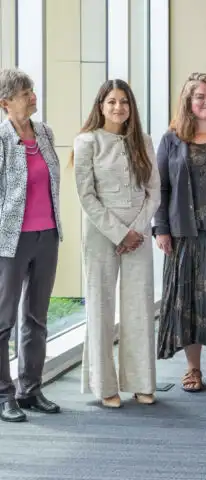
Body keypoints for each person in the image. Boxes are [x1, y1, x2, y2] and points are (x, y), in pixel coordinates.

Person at [72, 79, 160, 408]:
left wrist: (136, 229)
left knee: (139, 306)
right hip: (100, 232)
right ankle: (103, 384)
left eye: (124, 102)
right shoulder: (87, 141)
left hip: (138, 232)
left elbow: (154, 191)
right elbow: (86, 195)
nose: (118, 107)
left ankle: (141, 382)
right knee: (101, 305)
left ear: (131, 107)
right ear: (100, 106)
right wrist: (119, 232)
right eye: (111, 101)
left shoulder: (144, 142)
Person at [153, 73, 206, 393]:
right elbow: (160, 188)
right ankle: (193, 369)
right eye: (199, 97)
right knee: (188, 304)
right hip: (183, 234)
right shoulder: (172, 138)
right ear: (188, 101)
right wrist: (161, 229)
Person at [0, 68, 62, 422]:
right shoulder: (1, 139)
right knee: (3, 321)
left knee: (36, 318)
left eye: (33, 91)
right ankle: (2, 394)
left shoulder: (45, 133)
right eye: (26, 93)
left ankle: (30, 389)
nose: (33, 97)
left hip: (48, 235)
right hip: (10, 240)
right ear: (5, 103)